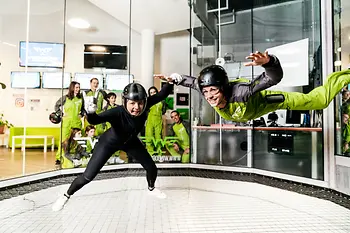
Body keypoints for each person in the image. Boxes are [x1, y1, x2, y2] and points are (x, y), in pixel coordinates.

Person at [52, 81, 173, 212]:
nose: (137, 107)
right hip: (108, 143)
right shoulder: (117, 112)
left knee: (151, 168)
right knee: (87, 176)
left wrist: (170, 82)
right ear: (125, 102)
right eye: (132, 103)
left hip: (131, 142)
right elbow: (96, 120)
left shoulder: (146, 105)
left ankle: (151, 188)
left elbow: (162, 94)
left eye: (140, 103)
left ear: (144, 101)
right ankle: (66, 196)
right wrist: (90, 113)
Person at [156, 51, 350, 122]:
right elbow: (191, 82)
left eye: (214, 90)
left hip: (269, 102)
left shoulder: (241, 92)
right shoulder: (205, 90)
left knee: (320, 101)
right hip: (250, 114)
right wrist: (174, 78)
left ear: (223, 88)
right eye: (206, 92)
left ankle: (343, 76)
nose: (210, 96)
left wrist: (269, 62)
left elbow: (272, 79)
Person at [54, 81, 84, 167]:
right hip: (67, 123)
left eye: (78, 87)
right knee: (64, 141)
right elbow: (56, 106)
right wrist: (62, 114)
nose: (78, 89)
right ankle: (59, 158)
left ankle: (74, 157)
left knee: (76, 142)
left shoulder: (81, 98)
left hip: (77, 123)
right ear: (72, 88)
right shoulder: (65, 98)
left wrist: (81, 114)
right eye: (76, 87)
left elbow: (83, 109)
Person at [145, 86, 167, 155]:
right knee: (149, 136)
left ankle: (159, 153)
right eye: (151, 93)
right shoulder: (148, 101)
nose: (153, 94)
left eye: (154, 92)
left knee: (158, 137)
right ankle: (150, 153)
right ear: (149, 94)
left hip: (159, 120)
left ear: (157, 92)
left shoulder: (162, 101)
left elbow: (164, 111)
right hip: (150, 120)